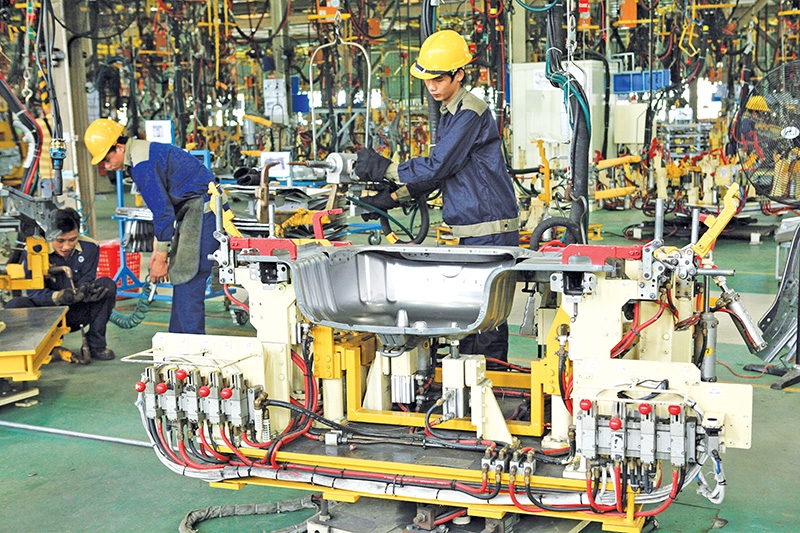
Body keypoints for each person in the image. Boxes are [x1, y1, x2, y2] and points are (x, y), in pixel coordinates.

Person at [355, 29, 519, 365]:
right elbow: (442, 173)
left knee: (487, 318)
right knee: (472, 312)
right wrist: (393, 197)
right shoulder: (450, 113)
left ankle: (491, 380)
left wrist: (387, 169)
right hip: (474, 230)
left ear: (459, 74)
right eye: (427, 79)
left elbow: (439, 164)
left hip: (490, 229)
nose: (431, 86)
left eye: (439, 78)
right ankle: (469, 379)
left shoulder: (470, 112)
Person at [84, 118, 218, 334]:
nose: (107, 166)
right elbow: (162, 209)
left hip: (201, 211)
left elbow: (163, 212)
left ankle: (192, 346)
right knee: (182, 277)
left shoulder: (142, 165)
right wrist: (158, 249)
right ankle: (177, 341)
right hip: (191, 211)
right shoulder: (139, 153)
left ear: (119, 148)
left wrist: (161, 259)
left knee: (188, 277)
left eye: (107, 160)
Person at [4, 208, 117, 363]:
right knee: (15, 305)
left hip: (75, 313)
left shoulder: (90, 247)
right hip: (46, 316)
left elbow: (89, 277)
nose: (66, 247)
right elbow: (33, 293)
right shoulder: (34, 251)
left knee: (106, 285)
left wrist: (86, 290)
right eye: (60, 241)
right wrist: (58, 296)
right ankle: (36, 348)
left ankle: (96, 345)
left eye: (72, 240)